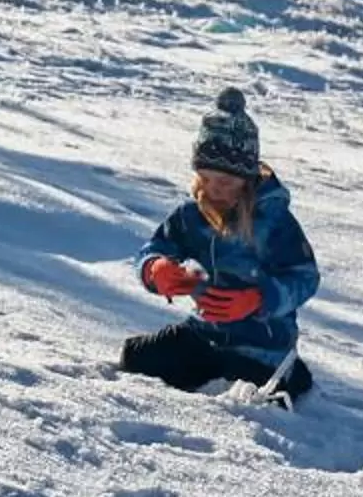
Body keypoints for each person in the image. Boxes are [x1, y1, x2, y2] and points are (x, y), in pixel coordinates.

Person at [121, 87, 320, 403]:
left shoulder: (273, 221)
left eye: (225, 182)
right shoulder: (192, 215)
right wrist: (156, 269)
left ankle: (293, 373)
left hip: (262, 344)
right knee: (136, 357)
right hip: (205, 333)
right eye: (206, 178)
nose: (213, 190)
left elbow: (305, 277)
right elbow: (156, 247)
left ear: (246, 177)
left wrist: (258, 299)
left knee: (250, 390)